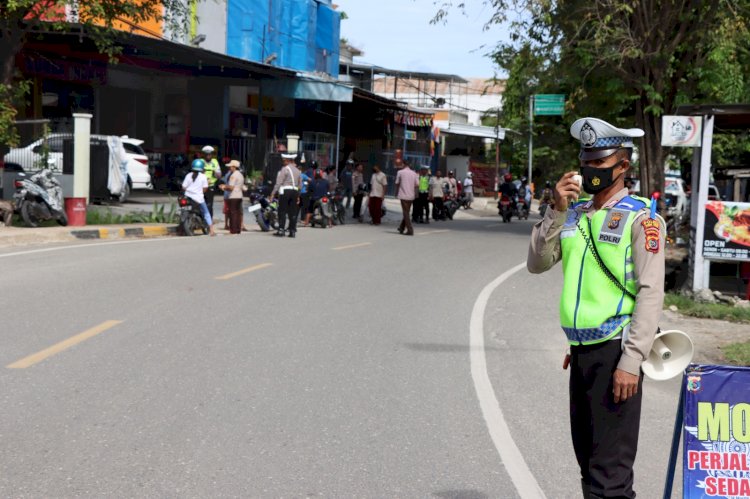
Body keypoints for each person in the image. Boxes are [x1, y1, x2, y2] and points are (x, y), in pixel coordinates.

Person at [527, 117, 665, 499]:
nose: (589, 170)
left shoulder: (642, 219)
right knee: (588, 463)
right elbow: (537, 263)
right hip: (582, 352)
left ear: (622, 166)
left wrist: (630, 362)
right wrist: (556, 207)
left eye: (599, 163)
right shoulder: (573, 214)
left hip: (617, 352)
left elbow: (651, 293)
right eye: (585, 161)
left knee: (611, 472)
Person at [181, 158, 216, 236]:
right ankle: (211, 230)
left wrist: (189, 190)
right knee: (206, 212)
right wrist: (200, 192)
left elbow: (183, 187)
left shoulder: (188, 175)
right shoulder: (203, 176)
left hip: (187, 196)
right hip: (198, 198)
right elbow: (205, 188)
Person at [270, 153, 302, 238]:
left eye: (284, 160)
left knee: (282, 211)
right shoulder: (298, 171)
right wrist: (298, 196)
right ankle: (292, 231)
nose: (283, 162)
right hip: (294, 192)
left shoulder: (284, 169)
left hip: (285, 192)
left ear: (288, 160)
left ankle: (281, 230)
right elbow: (300, 185)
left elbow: (279, 182)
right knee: (293, 212)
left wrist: (273, 193)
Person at [221, 159, 244, 235]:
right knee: (238, 213)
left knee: (233, 213)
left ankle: (233, 229)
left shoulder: (233, 175)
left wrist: (223, 187)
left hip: (233, 196)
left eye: (230, 167)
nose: (229, 168)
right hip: (239, 195)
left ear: (234, 167)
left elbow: (231, 187)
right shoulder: (240, 174)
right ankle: (238, 229)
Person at [395, 160, 418, 235]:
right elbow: (417, 185)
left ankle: (410, 230)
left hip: (403, 195)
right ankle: (401, 227)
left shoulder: (400, 172)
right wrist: (416, 194)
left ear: (403, 164)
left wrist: (396, 192)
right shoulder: (414, 173)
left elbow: (397, 183)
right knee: (406, 212)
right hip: (411, 195)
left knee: (405, 213)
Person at [201, 145, 221, 220]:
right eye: (206, 154)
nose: (208, 156)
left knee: (209, 205)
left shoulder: (215, 162)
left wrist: (215, 173)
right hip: (201, 186)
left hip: (211, 186)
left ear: (212, 154)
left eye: (209, 154)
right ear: (204, 155)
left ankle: (209, 221)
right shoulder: (201, 162)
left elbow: (219, 175)